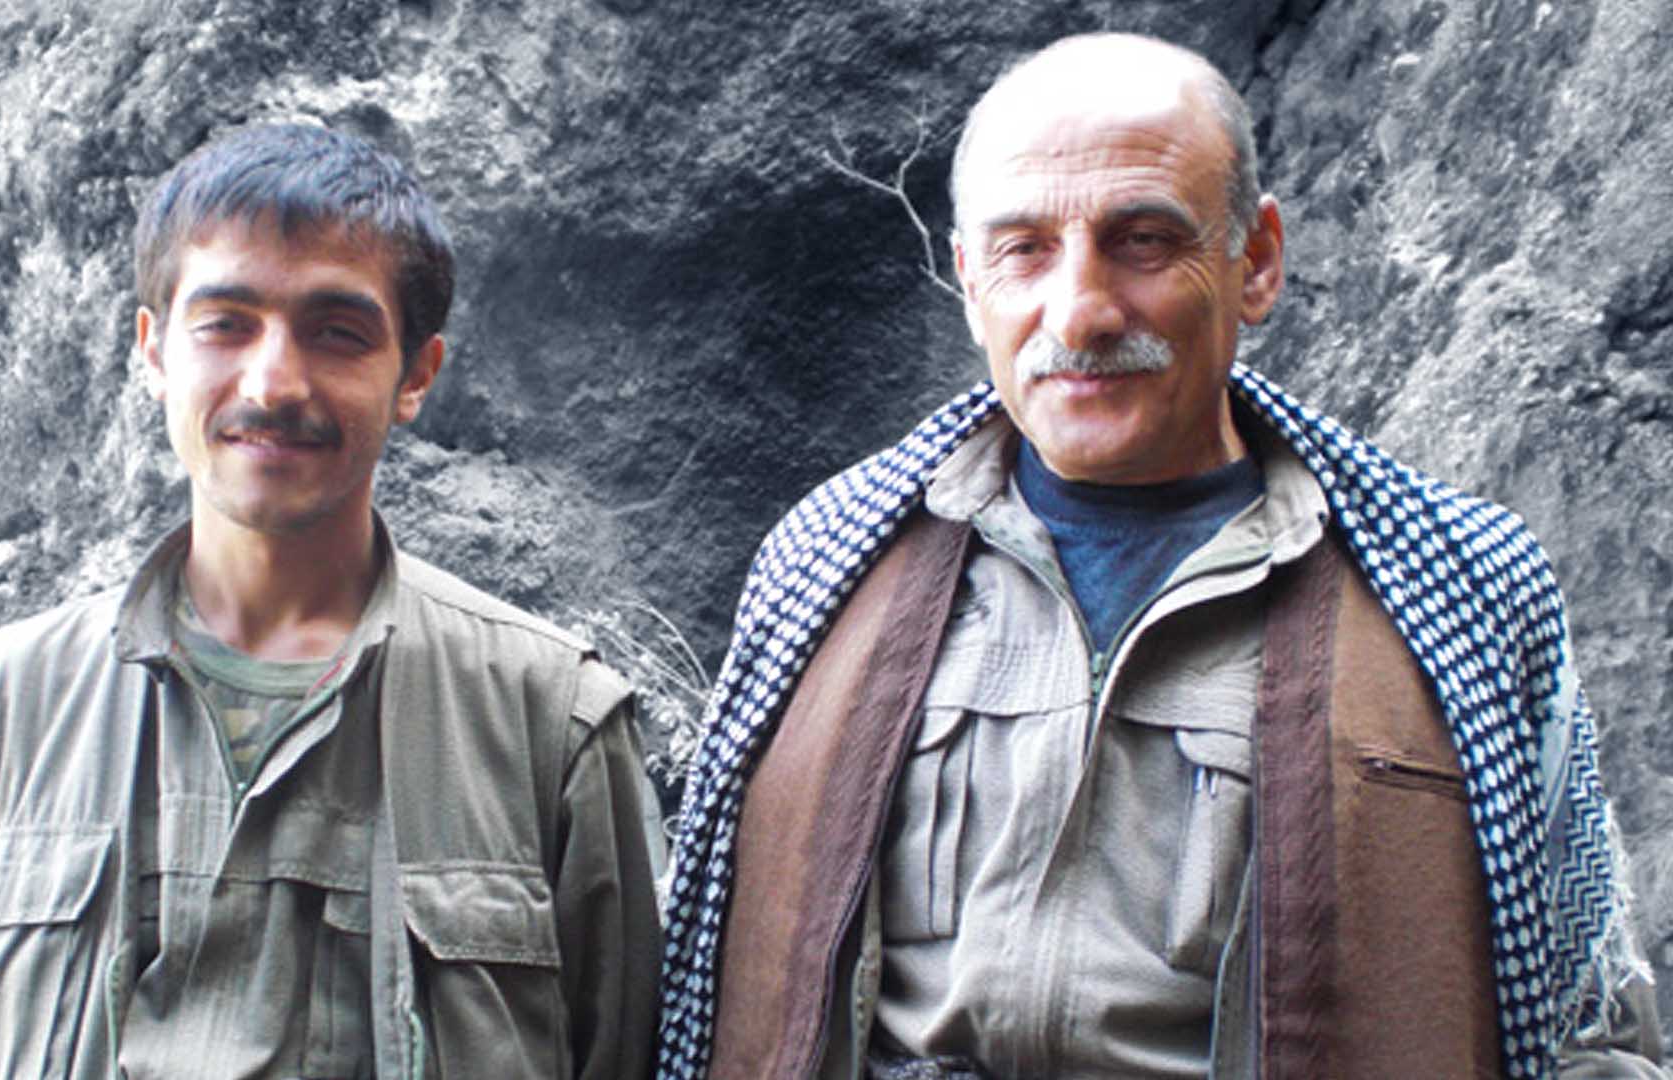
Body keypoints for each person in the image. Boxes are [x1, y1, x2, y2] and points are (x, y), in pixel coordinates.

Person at [657, 32, 1663, 1080]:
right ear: (967, 279)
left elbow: (1586, 1036)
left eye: (1141, 241)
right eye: (1024, 250)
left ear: (1255, 261)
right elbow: (697, 974)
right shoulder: (824, 567)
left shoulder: (1465, 591)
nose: (1081, 314)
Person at [0, 123, 660, 1079]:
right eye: (224, 323)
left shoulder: (551, 723)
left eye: (337, 332)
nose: (273, 384)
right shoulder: (6, 707)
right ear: (153, 352)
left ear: (415, 376)